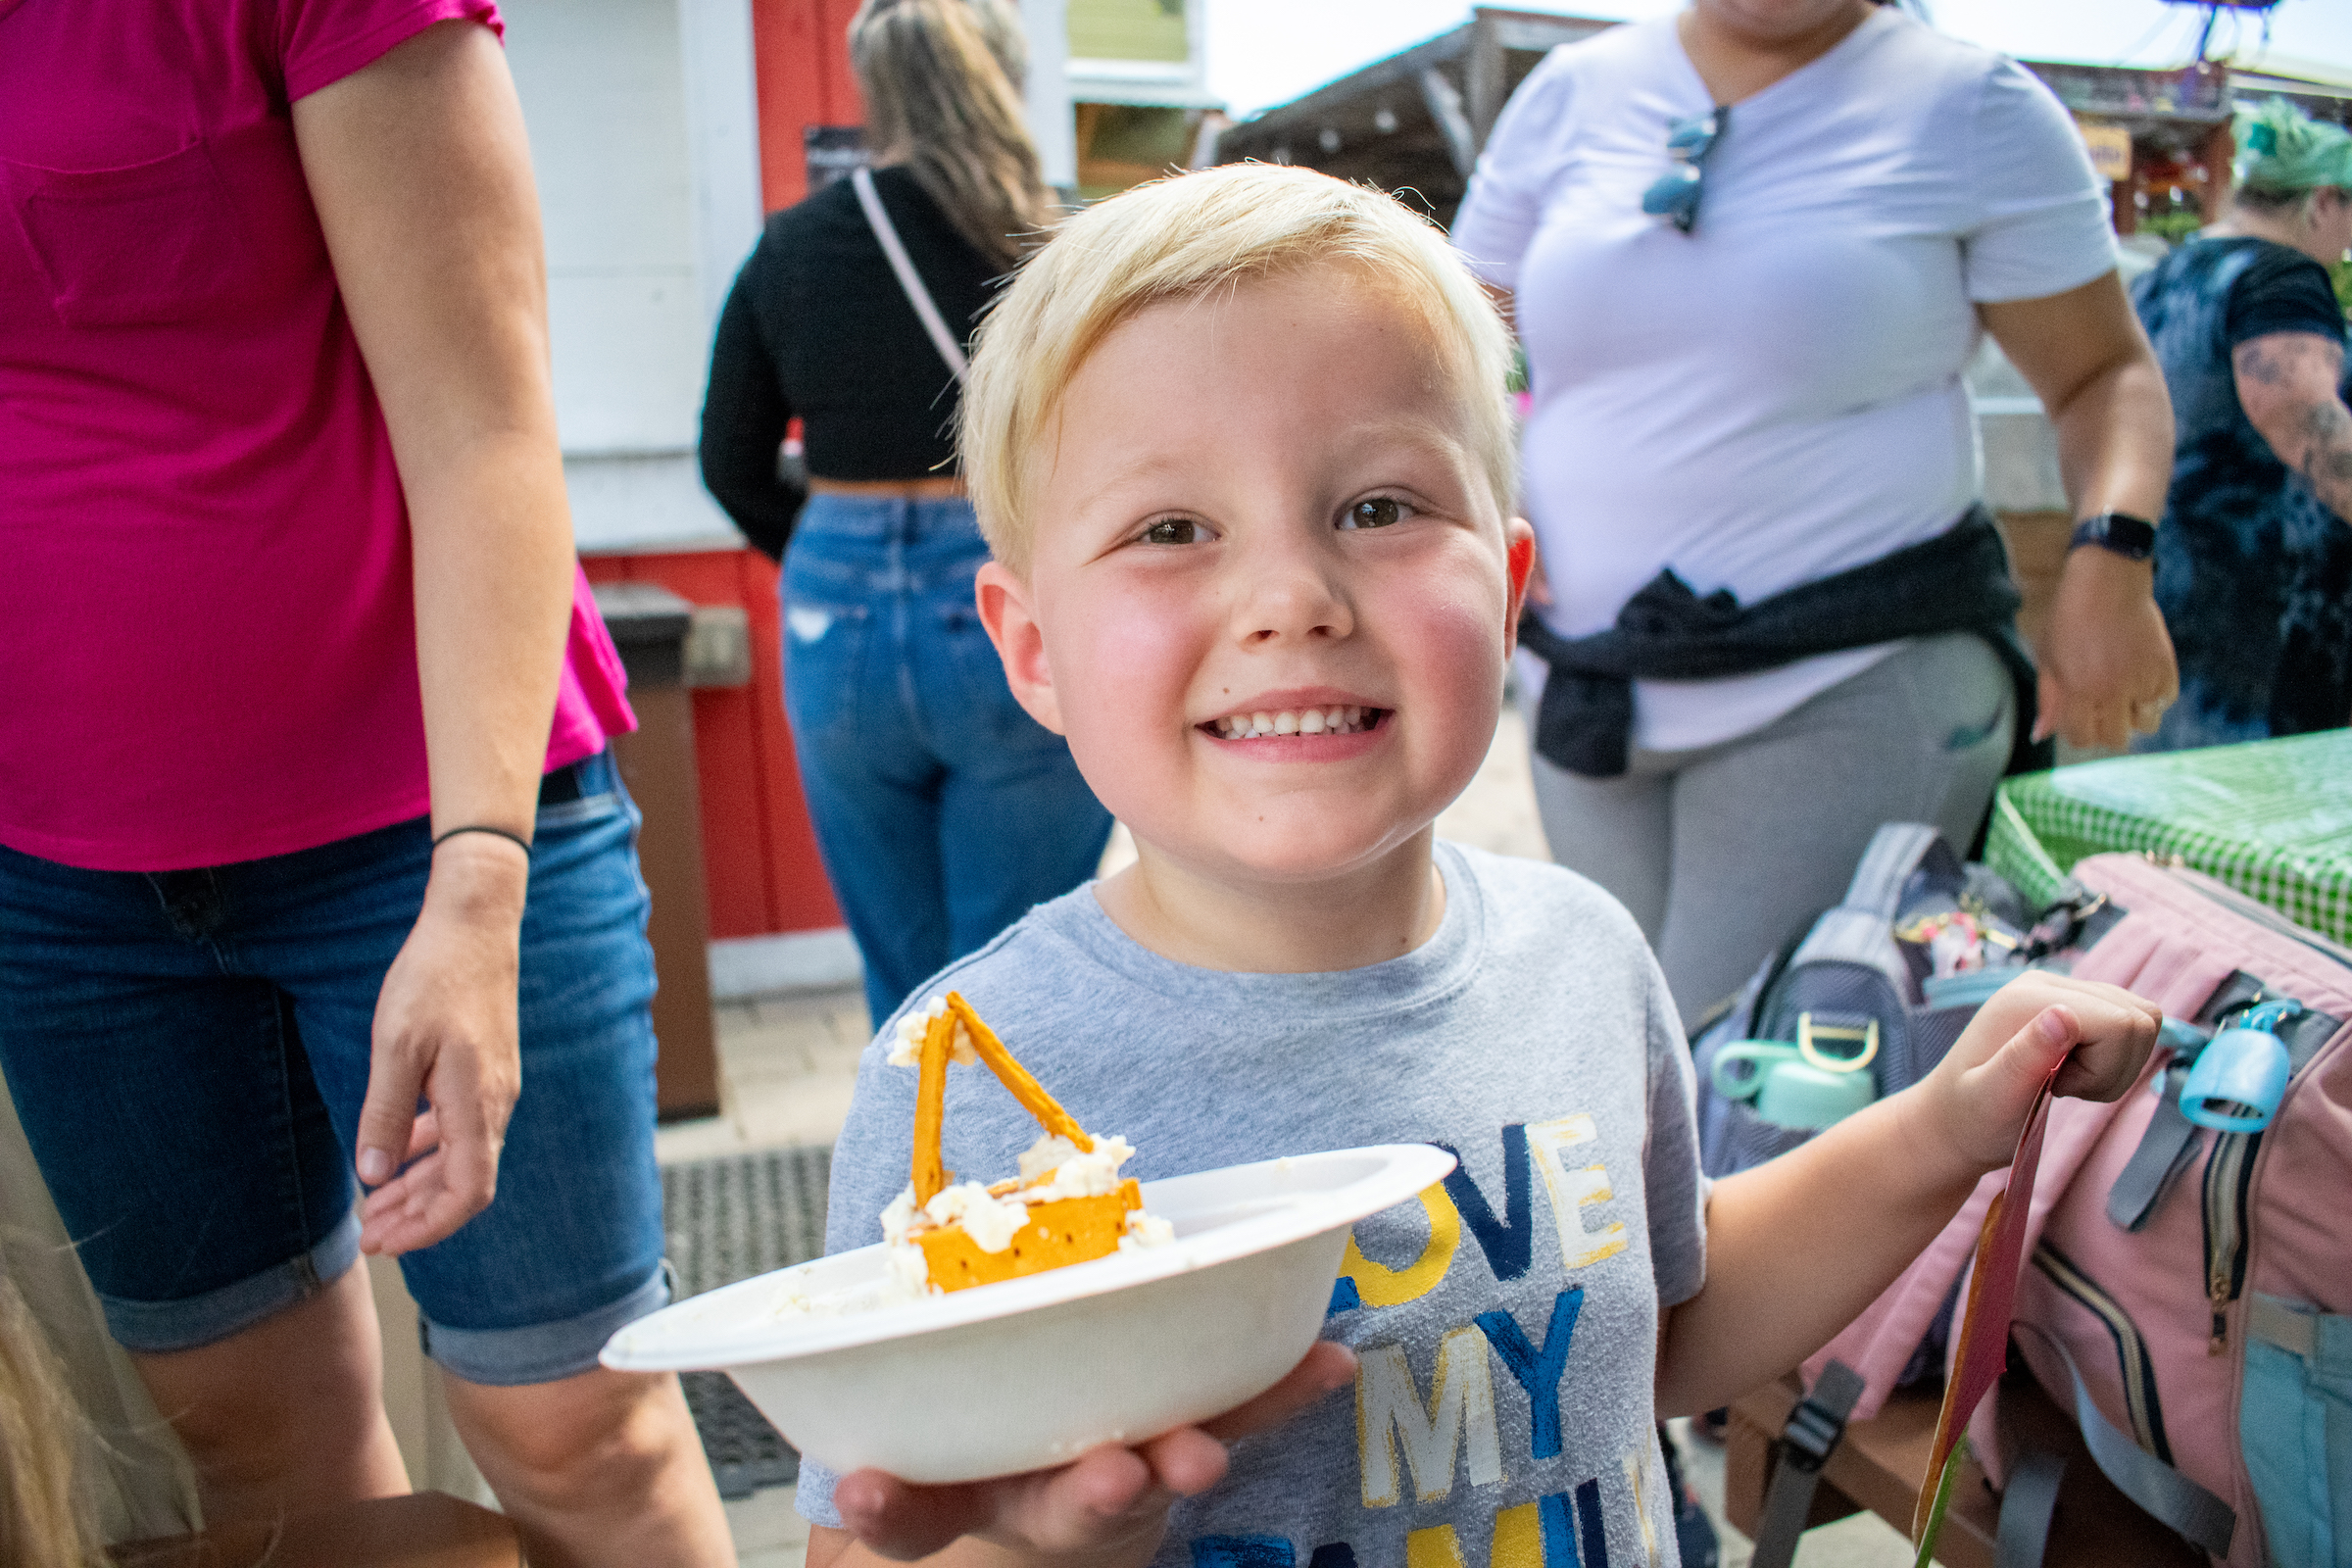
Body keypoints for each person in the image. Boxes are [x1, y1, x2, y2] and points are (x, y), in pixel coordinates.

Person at [781, 163, 2160, 1568]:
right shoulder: (969, 1079)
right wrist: (1042, 1547)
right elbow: (876, 1538)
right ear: (1031, 652)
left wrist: (1948, 1129)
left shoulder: (1581, 953)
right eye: (1171, 529)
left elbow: (1665, 1326)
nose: (1292, 602)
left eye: (1377, 508)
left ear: (1506, 599)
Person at [0, 8, 730, 1563]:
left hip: (427, 829)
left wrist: (477, 882)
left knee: (574, 1426)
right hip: (60, 887)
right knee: (255, 1459)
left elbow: (486, 430)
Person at [1449, 0, 2180, 1025]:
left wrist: (2112, 559)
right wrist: (1477, 494)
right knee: (1621, 1036)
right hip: (1587, 684)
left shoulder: (1972, 107)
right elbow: (1444, 343)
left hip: (1855, 677)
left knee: (1745, 1068)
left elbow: (2107, 376)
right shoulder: (1571, 94)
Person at [700, 0, 1112, 1026]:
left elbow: (728, 455)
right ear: (1003, 81)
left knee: (907, 984)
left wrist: (828, 552)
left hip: (830, 610)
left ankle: (919, 1178)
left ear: (877, 93)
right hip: (1001, 590)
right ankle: (1027, 1181)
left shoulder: (793, 246)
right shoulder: (1056, 243)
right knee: (1022, 968)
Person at [2131, 99, 2352, 752]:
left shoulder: (2166, 276)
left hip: (2176, 592)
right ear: (2321, 203)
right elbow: (2304, 419)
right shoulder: (2280, 278)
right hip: (2272, 616)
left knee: (2184, 812)